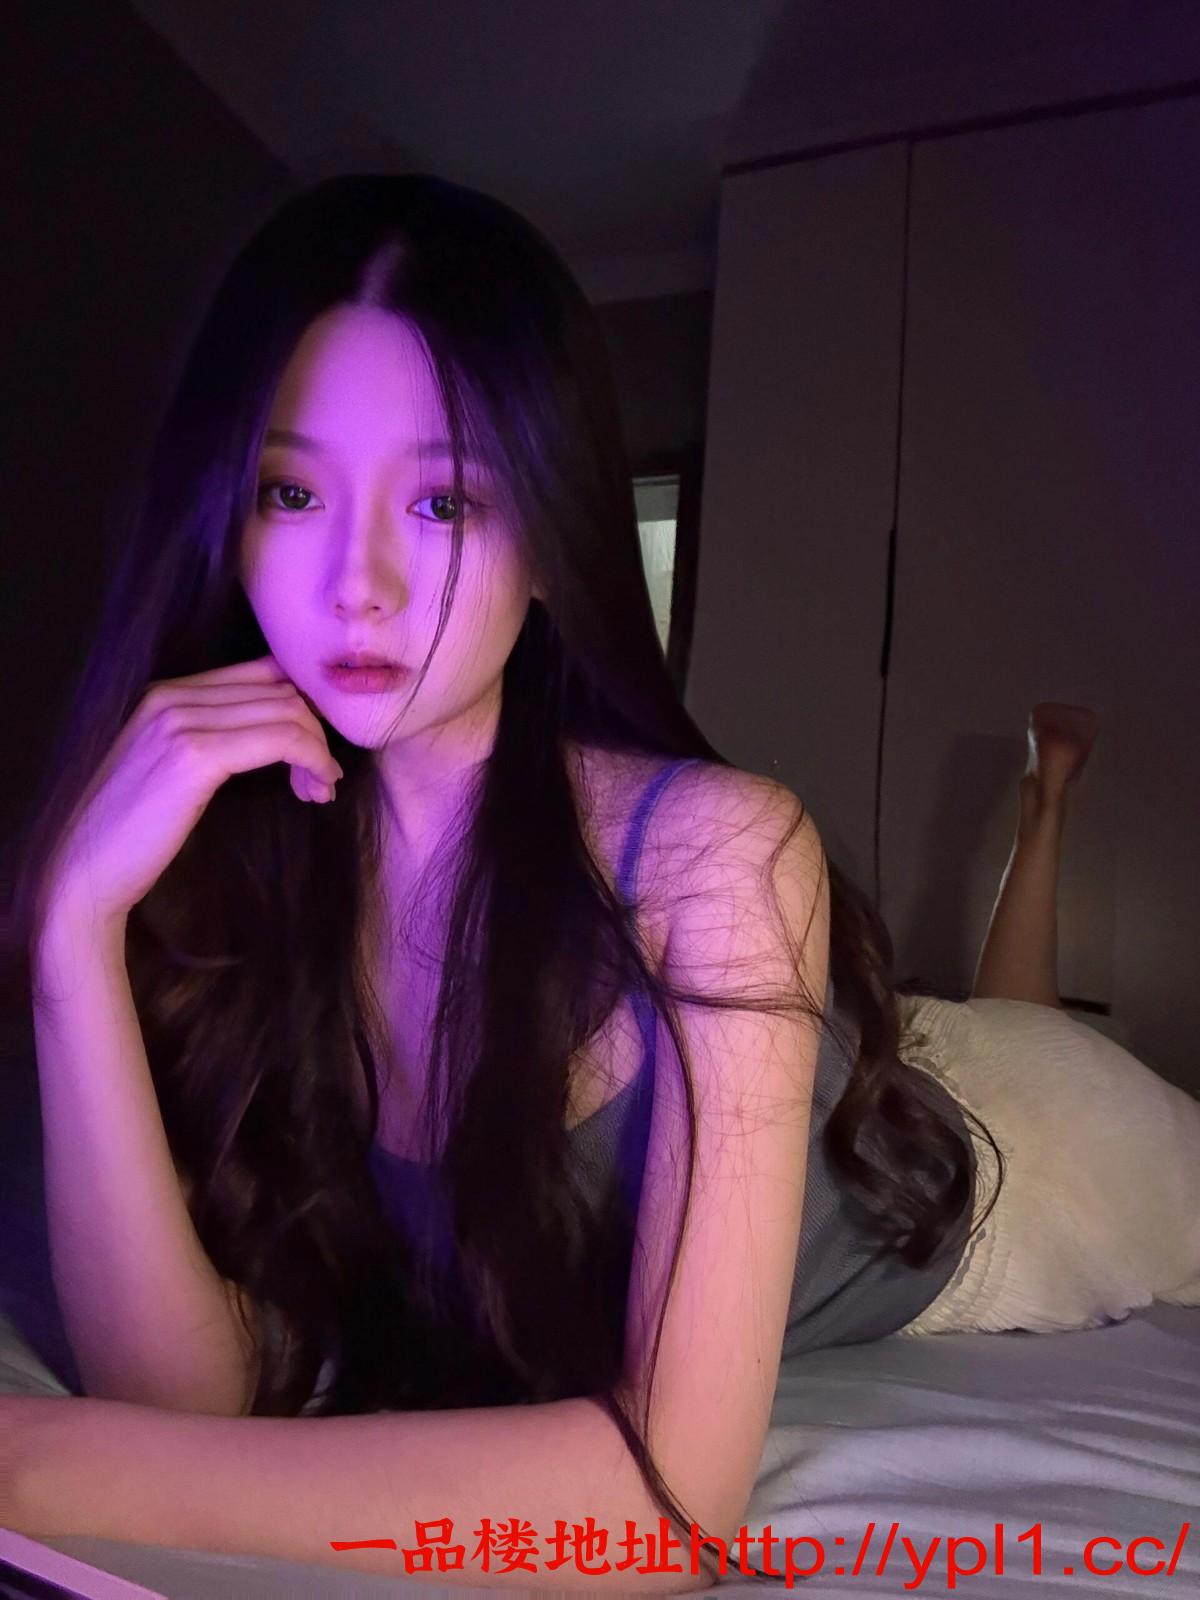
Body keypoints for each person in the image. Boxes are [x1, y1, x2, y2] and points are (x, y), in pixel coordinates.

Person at [4, 174, 1197, 1585]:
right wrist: (74, 936)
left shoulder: (714, 851)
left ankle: (1047, 800)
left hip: (1035, 1156)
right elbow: (179, 1399)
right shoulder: (259, 856)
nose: (358, 584)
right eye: (293, 490)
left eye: (443, 499)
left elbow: (669, 1510)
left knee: (1028, 1035)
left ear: (551, 541)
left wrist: (35, 1459)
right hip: (845, 1060)